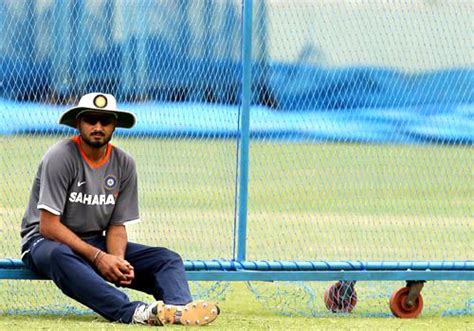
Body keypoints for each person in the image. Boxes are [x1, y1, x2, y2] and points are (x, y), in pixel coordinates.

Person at [20, 92, 220, 326]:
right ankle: (135, 312)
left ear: (114, 125)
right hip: (45, 243)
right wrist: (99, 257)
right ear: (78, 123)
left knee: (167, 259)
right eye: (90, 120)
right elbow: (49, 226)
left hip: (95, 242)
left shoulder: (124, 163)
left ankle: (178, 311)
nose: (97, 127)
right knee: (59, 255)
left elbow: (116, 225)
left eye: (105, 121)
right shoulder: (60, 156)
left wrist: (116, 260)